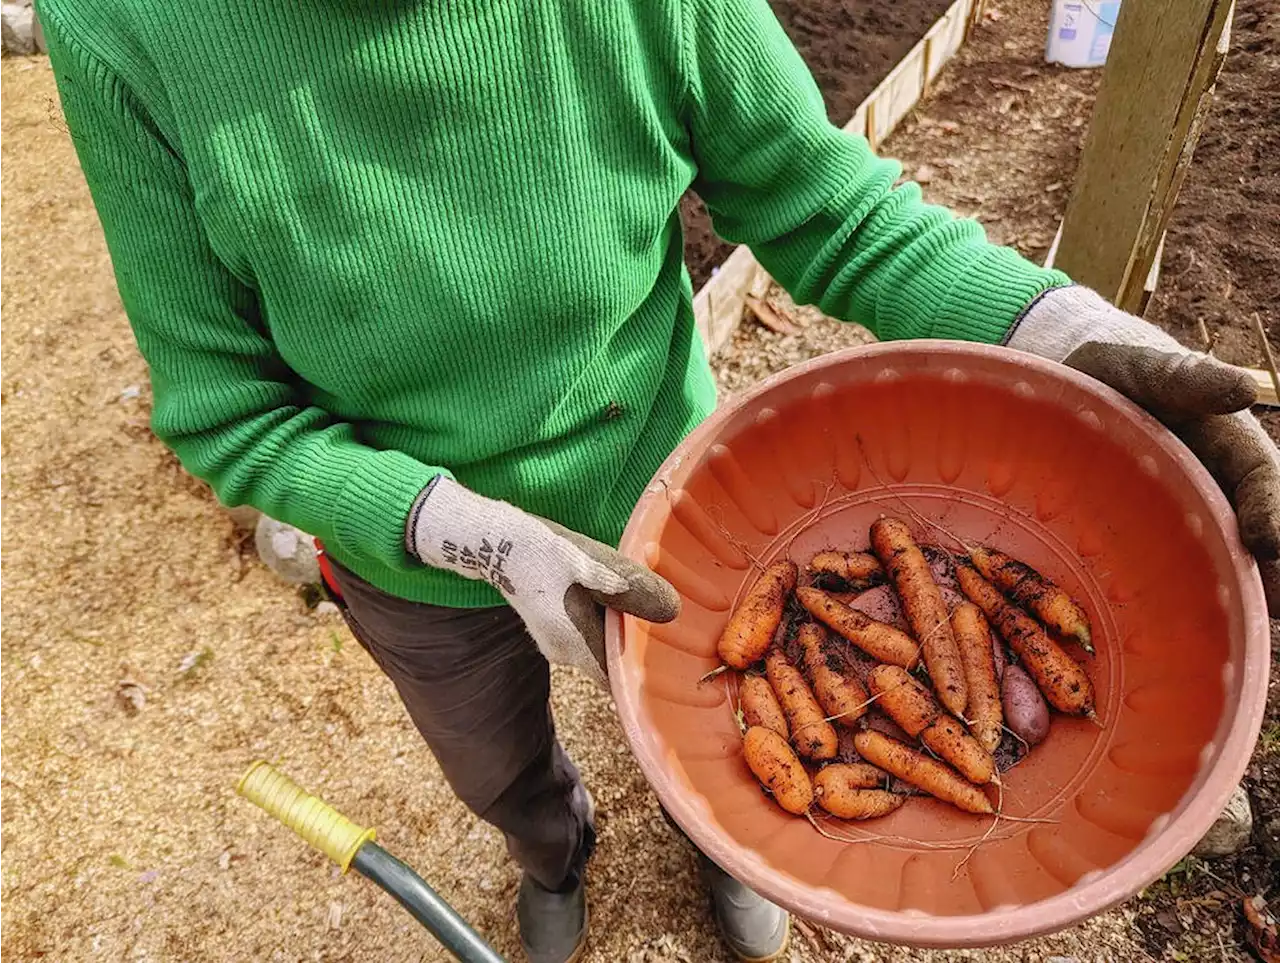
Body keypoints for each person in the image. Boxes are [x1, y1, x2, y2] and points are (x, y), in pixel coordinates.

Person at [38, 0, 1279, 959]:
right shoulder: (124, 31)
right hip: (406, 548)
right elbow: (230, 414)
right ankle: (548, 853)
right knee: (489, 762)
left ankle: (725, 851)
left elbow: (820, 203)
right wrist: (456, 533)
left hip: (670, 502)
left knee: (719, 741)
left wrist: (1063, 334)